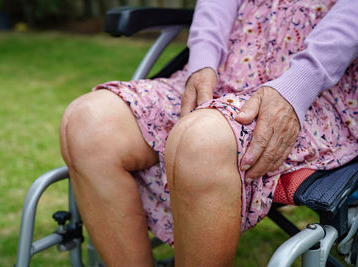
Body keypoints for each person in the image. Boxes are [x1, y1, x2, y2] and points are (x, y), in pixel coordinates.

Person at [59, 0, 358, 265]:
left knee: (202, 142)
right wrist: (201, 61)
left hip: (314, 91)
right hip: (225, 69)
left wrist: (299, 85)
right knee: (87, 123)